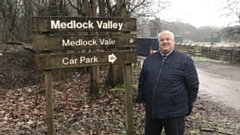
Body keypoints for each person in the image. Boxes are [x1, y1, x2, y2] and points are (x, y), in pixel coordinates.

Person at [136, 30, 199, 135]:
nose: (165, 42)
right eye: (162, 40)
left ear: (173, 42)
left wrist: (188, 105)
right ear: (158, 43)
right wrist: (141, 98)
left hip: (175, 112)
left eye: (167, 39)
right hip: (153, 111)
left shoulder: (185, 60)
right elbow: (142, 81)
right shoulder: (149, 60)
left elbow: (193, 85)